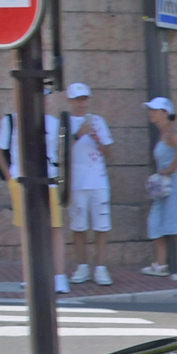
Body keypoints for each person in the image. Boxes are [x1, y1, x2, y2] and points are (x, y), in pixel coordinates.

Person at [0, 101, 65, 294]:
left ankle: (59, 276)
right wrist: (9, 178)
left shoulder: (54, 123)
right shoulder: (12, 121)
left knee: (54, 228)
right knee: (29, 229)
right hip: (22, 180)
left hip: (49, 178)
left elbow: (64, 150)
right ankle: (32, 276)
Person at [57, 82, 116, 287]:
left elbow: (109, 153)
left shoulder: (98, 121)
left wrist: (97, 139)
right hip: (76, 182)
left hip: (98, 181)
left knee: (101, 224)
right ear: (70, 101)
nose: (82, 103)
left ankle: (101, 267)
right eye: (77, 99)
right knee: (78, 225)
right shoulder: (63, 123)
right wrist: (78, 134)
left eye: (85, 99)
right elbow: (59, 155)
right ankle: (82, 265)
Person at [141, 97, 177, 281]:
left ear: (165, 113)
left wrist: (169, 169)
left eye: (155, 110)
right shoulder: (164, 132)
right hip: (167, 183)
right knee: (156, 221)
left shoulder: (171, 132)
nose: (151, 112)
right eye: (150, 109)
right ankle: (160, 264)